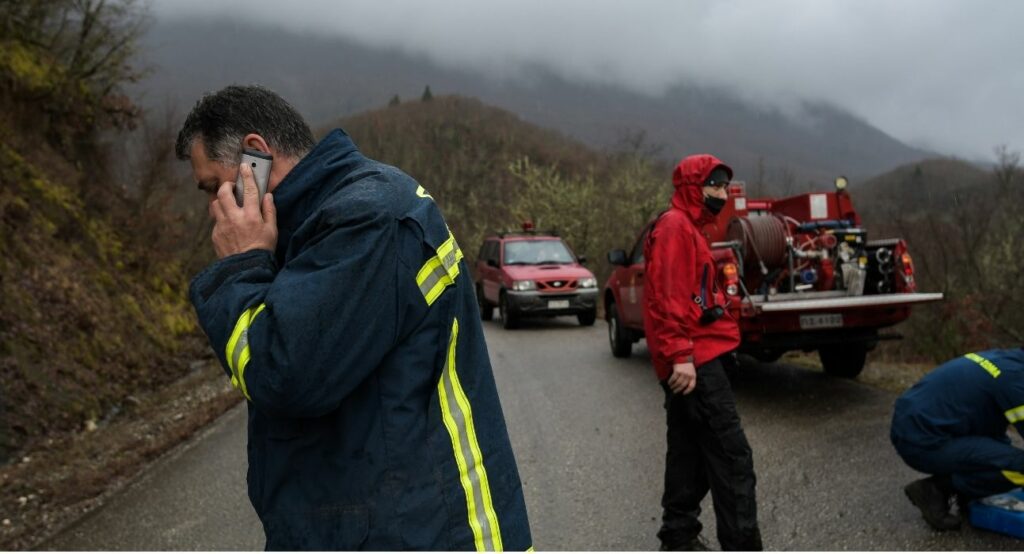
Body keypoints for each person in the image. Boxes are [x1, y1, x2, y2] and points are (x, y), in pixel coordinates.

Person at [175, 85, 532, 550]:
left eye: (212, 186)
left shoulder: (365, 218)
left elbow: (282, 373)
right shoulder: (316, 223)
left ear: (255, 157)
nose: (213, 208)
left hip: (421, 533)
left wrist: (240, 265)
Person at [643, 154, 762, 551]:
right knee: (733, 459)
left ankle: (678, 537)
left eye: (725, 186)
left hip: (697, 357)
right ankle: (742, 545)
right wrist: (680, 354)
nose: (721, 193)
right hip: (696, 360)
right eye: (714, 185)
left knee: (689, 453)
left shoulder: (692, 229)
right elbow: (667, 296)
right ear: (693, 187)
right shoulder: (676, 227)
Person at [891, 348, 1024, 531]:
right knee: (1019, 467)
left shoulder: (1004, 359)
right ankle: (937, 489)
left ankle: (969, 491)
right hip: (923, 441)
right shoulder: (1015, 381)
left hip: (915, 426)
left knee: (1002, 454)